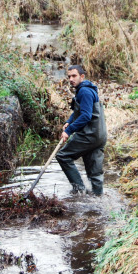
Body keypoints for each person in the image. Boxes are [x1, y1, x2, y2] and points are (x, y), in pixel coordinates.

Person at [56, 65, 107, 196]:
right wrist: (69, 121)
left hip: (89, 135)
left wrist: (69, 130)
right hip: (99, 136)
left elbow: (86, 116)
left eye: (74, 76)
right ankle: (98, 200)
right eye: (69, 77)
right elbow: (82, 110)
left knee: (63, 156)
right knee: (95, 172)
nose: (71, 79)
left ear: (82, 76)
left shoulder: (84, 91)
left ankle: (79, 191)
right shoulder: (89, 90)